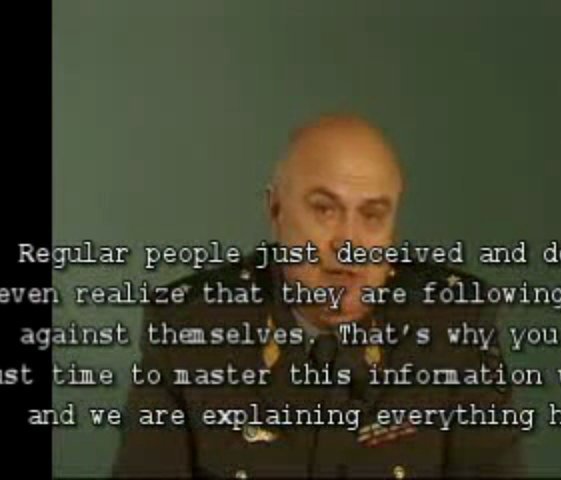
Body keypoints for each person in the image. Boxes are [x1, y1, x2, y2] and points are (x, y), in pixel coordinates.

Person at [113, 113, 525, 478]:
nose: (349, 243)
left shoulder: (455, 326)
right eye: (324, 210)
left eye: (372, 215)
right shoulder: (189, 331)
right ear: (275, 211)